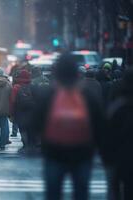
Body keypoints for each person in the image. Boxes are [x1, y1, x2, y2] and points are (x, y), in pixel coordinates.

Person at [31, 54, 104, 200]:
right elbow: (99, 124)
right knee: (81, 192)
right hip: (82, 152)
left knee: (53, 192)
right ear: (77, 73)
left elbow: (36, 121)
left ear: (57, 72)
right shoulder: (87, 94)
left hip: (54, 153)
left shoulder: (50, 94)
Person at [103, 68, 133, 200]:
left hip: (121, 160)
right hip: (122, 158)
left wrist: (108, 159)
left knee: (117, 190)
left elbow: (108, 137)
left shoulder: (117, 109)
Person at [10, 69, 31, 152]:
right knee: (29, 128)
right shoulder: (32, 86)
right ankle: (30, 144)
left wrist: (11, 113)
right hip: (31, 112)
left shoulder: (16, 87)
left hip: (20, 112)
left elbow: (12, 101)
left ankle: (25, 145)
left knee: (22, 128)